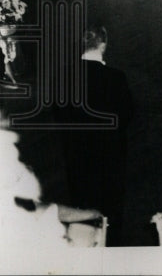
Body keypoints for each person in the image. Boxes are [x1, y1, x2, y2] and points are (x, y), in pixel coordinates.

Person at [52, 26, 134, 245]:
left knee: (80, 197)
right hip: (110, 153)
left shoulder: (63, 74)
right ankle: (111, 242)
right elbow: (126, 115)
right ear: (103, 46)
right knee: (111, 201)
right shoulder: (116, 77)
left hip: (75, 151)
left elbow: (57, 112)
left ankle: (84, 241)